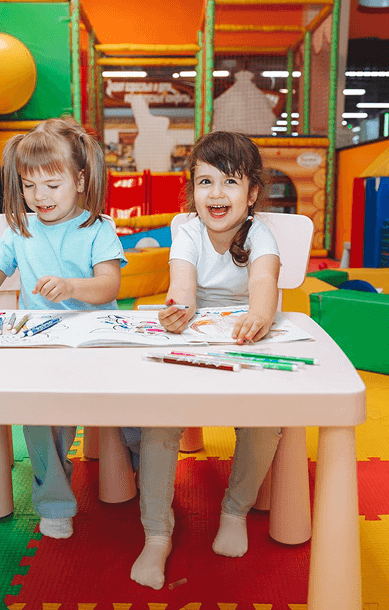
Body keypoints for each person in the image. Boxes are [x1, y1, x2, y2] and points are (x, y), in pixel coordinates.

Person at [0, 117, 132, 540]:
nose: (39, 196)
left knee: (137, 421)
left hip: (99, 343)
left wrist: (72, 286)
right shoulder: (21, 230)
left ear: (80, 180)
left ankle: (133, 459)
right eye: (29, 186)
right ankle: (54, 501)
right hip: (45, 347)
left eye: (52, 184)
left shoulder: (97, 228)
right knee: (39, 416)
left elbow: (109, 285)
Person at [130, 131, 282, 589]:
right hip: (195, 339)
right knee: (158, 422)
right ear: (192, 191)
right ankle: (157, 534)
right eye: (205, 182)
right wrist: (178, 308)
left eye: (230, 182)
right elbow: (182, 283)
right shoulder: (188, 231)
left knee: (264, 420)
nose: (217, 194)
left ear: (252, 194)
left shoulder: (261, 233)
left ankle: (234, 510)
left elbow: (264, 283)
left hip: (245, 338)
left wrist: (259, 315)